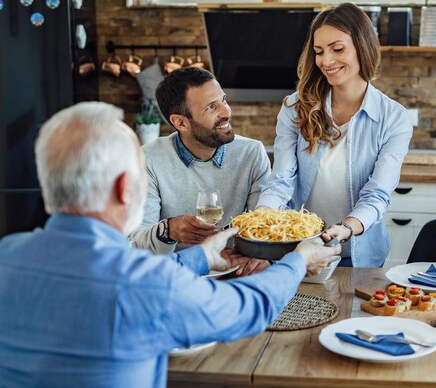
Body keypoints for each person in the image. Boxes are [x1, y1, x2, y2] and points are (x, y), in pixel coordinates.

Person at [0, 102, 340, 388]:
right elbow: (247, 307)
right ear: (124, 188)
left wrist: (202, 258)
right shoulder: (146, 285)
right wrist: (298, 260)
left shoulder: (7, 255)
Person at [256, 3, 413, 267]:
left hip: (358, 255)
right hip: (298, 250)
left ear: (363, 46)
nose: (326, 61)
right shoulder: (296, 108)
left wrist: (347, 228)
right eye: (319, 52)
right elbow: (282, 178)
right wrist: (261, 218)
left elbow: (377, 193)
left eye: (337, 49)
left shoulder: (393, 118)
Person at [129, 67, 271, 275]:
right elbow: (137, 242)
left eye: (223, 100)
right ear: (180, 122)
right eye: (211, 107)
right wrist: (169, 230)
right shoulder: (148, 159)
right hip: (176, 277)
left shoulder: (252, 153)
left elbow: (266, 228)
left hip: (238, 275)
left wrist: (263, 255)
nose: (226, 112)